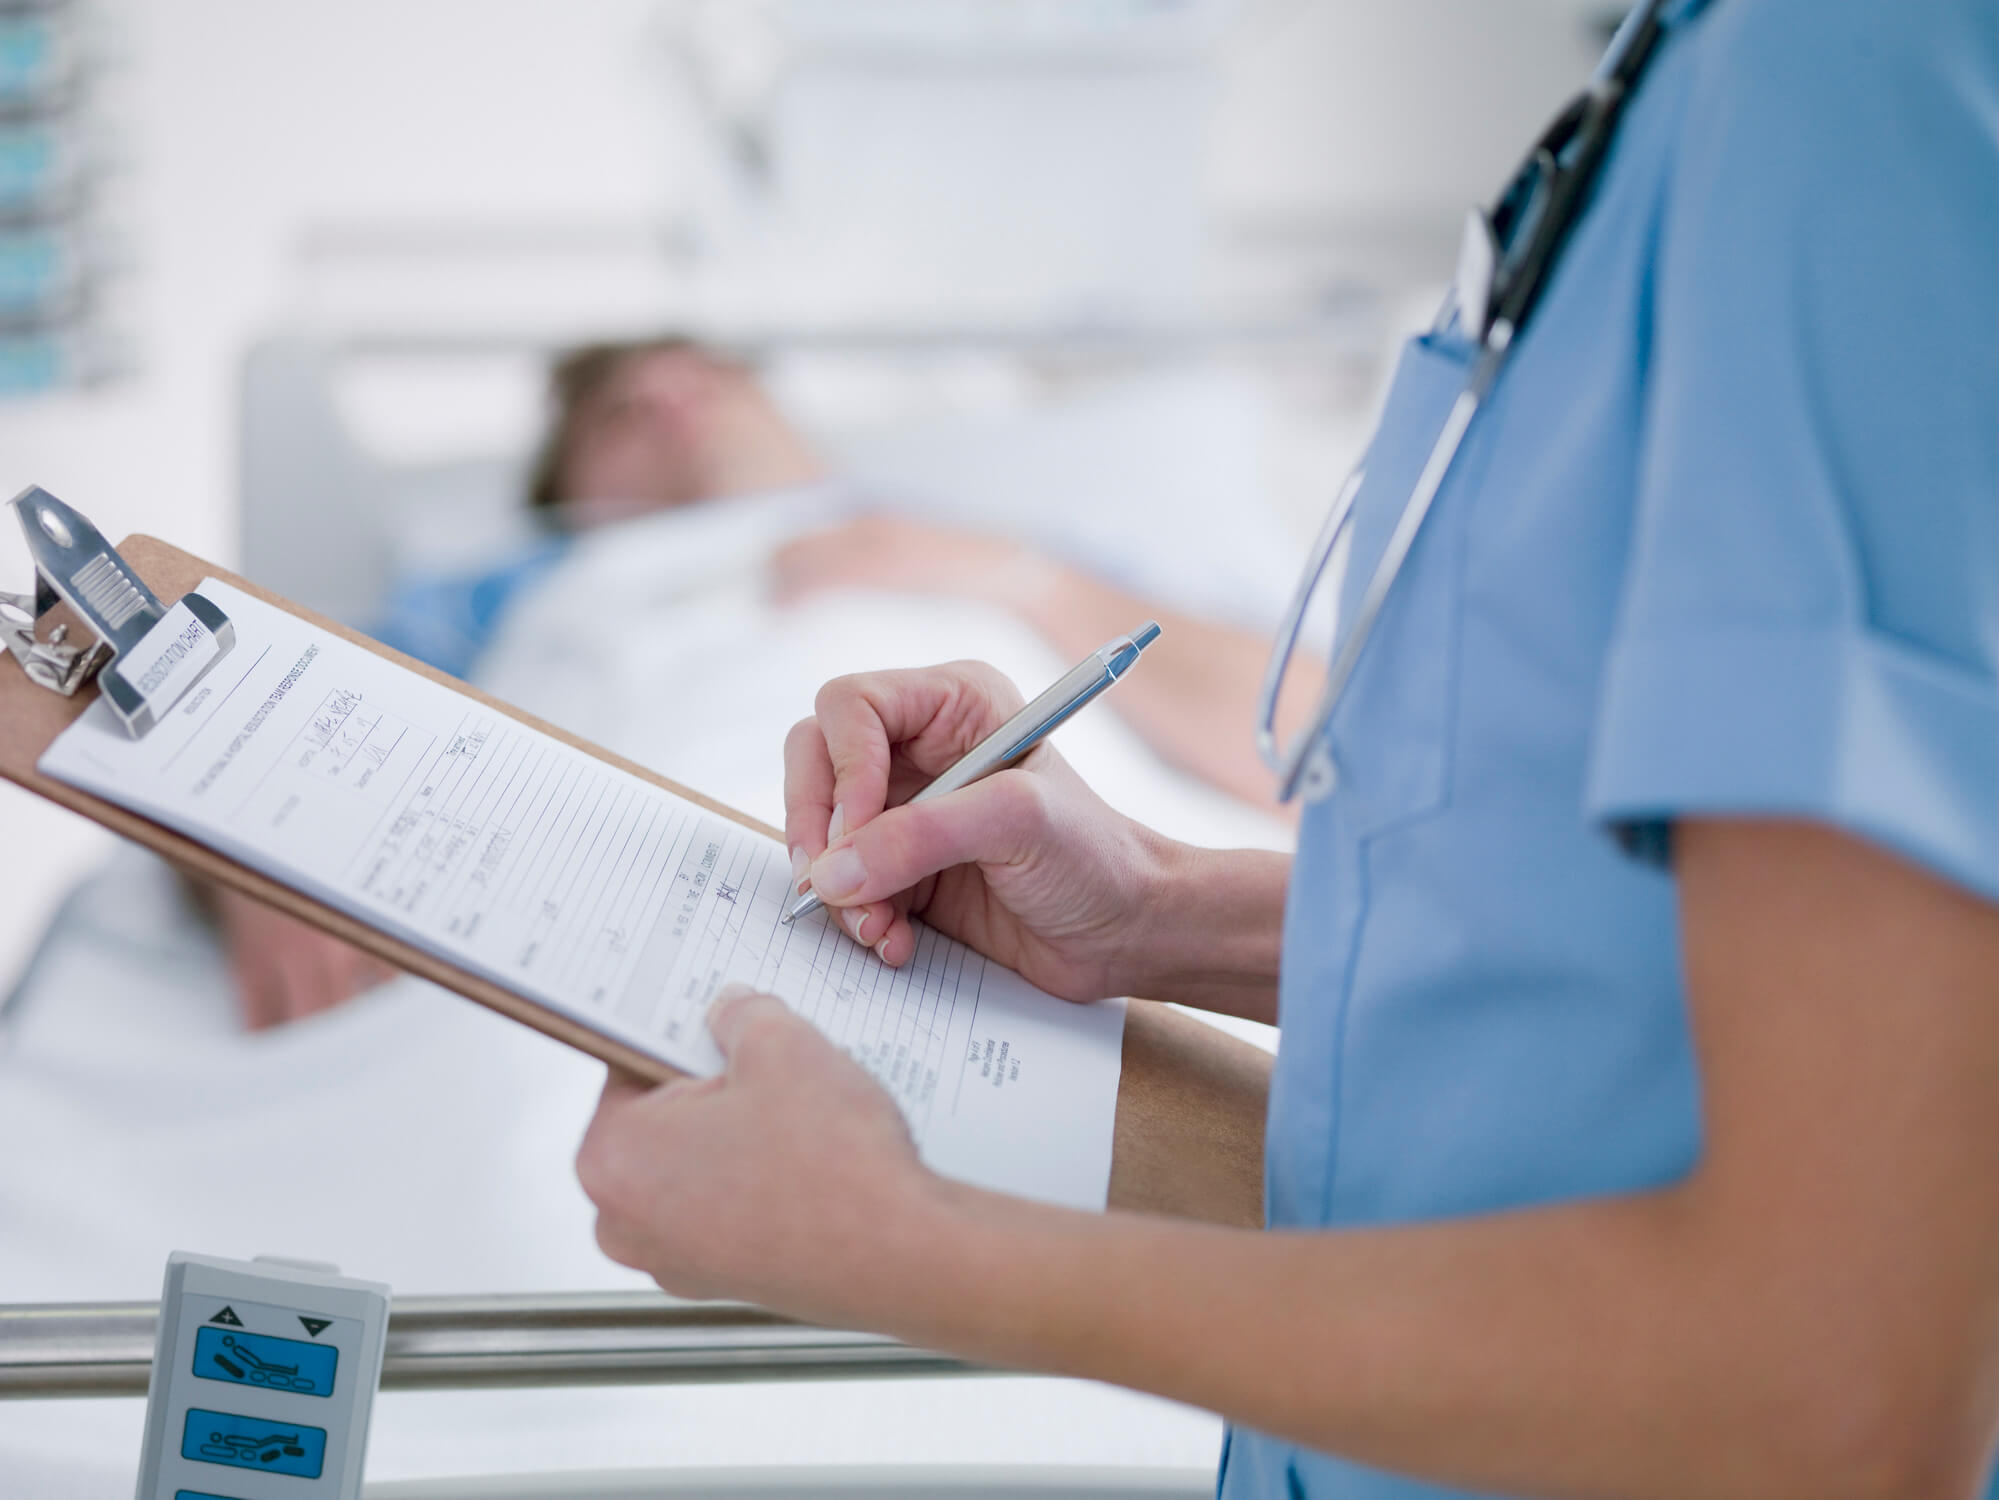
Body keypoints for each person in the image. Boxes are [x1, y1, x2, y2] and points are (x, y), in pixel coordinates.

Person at [571, 3, 1999, 1498]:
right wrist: (1164, 909)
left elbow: (1834, 1391)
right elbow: (1627, 970)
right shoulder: (1693, 99)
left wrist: (904, 1249)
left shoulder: (1838, 85)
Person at [216, 337, 1309, 1028]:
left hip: (1059, 930)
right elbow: (267, 694)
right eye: (620, 416)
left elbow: (1313, 737)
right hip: (595, 924)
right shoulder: (519, 587)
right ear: (574, 491)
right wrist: (243, 846)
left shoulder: (1001, 543)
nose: (667, 397)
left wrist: (1013, 576)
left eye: (701, 374)